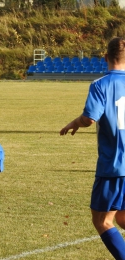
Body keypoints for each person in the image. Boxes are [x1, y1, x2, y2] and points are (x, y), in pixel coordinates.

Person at [60, 37, 125, 259]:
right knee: (123, 218)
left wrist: (74, 122)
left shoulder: (100, 84)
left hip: (114, 166)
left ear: (105, 57)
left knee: (102, 221)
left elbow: (89, 119)